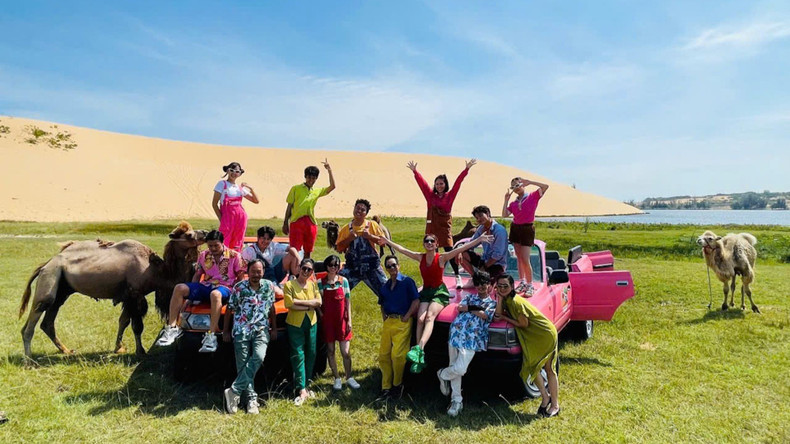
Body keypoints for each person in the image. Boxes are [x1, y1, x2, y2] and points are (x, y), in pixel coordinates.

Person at [382, 233, 493, 373]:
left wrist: (479, 240)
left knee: (429, 317)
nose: (429, 243)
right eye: (426, 241)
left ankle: (419, 349)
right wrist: (387, 241)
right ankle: (419, 354)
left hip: (439, 292)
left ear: (436, 244)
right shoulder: (420, 257)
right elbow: (402, 249)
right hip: (426, 292)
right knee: (420, 319)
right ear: (424, 244)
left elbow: (460, 249)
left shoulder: (441, 258)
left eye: (432, 241)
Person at [156, 230, 245, 353]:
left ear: (222, 243)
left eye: (216, 245)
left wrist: (238, 296)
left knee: (215, 294)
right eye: (210, 246)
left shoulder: (235, 256)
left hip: (225, 287)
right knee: (179, 288)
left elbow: (240, 278)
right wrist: (191, 296)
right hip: (206, 285)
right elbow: (198, 275)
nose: (213, 248)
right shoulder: (204, 255)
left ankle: (211, 335)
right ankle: (171, 328)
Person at [494, 274, 560, 418]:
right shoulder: (506, 300)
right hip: (534, 335)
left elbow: (524, 324)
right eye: (499, 286)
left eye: (506, 286)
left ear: (512, 287)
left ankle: (555, 405)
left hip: (544, 334)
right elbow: (497, 315)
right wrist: (499, 298)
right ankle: (545, 397)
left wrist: (505, 318)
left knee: (549, 369)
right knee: (531, 366)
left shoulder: (517, 302)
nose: (502, 288)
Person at [221, 259, 281, 415]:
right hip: (241, 331)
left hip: (261, 329)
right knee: (243, 366)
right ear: (248, 271)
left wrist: (274, 328)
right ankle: (251, 401)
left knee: (259, 357)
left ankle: (233, 391)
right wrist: (226, 331)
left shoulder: (268, 286)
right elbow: (229, 310)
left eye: (259, 271)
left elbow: (272, 308)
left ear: (263, 272)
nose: (256, 274)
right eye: (253, 271)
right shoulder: (239, 288)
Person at [407, 159, 477, 289]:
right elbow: (423, 185)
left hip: (445, 229)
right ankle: (435, 280)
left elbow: (458, 183)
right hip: (432, 228)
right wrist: (415, 172)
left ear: (445, 184)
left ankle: (457, 276)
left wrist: (466, 170)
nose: (439, 185)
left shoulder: (450, 196)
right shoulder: (430, 196)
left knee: (450, 252)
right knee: (434, 255)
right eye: (437, 183)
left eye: (441, 183)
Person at [437, 271, 497, 417]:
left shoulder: (492, 303)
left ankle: (442, 374)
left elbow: (486, 316)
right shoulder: (469, 297)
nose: (481, 286)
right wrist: (475, 308)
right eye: (478, 283)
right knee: (455, 365)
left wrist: (472, 308)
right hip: (456, 334)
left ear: (489, 285)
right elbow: (460, 308)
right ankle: (456, 400)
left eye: (484, 283)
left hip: (472, 339)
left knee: (460, 368)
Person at [377, 255, 420, 399]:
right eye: (388, 266)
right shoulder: (385, 286)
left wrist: (407, 316)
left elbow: (416, 301)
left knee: (397, 355)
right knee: (384, 355)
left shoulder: (407, 282)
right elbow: (382, 302)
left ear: (399, 265)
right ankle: (385, 387)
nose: (392, 268)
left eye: (394, 265)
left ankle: (397, 385)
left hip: (403, 321)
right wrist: (384, 316)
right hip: (389, 321)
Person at [318, 255, 361, 391]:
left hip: (342, 321)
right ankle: (337, 378)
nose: (333, 268)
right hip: (328, 322)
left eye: (336, 266)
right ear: (326, 266)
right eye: (331, 265)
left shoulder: (344, 281)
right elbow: (318, 302)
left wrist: (349, 320)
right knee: (331, 351)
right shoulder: (320, 282)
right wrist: (321, 315)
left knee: (345, 352)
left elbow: (348, 301)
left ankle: (349, 377)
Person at [283, 258, 322, 406]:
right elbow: (289, 304)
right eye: (304, 268)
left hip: (311, 322)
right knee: (298, 353)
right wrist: (309, 306)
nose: (306, 272)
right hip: (295, 324)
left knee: (311, 352)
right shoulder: (289, 285)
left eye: (309, 270)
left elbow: (319, 302)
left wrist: (298, 303)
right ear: (298, 268)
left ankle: (307, 383)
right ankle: (300, 388)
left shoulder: (313, 285)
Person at [503, 177, 549, 296]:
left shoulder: (532, 196)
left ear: (522, 184)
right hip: (515, 228)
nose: (516, 188)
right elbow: (504, 215)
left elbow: (545, 187)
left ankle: (530, 285)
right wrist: (506, 200)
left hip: (527, 229)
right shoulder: (513, 203)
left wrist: (531, 182)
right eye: (513, 187)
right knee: (519, 258)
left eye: (518, 185)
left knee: (525, 258)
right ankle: (522, 282)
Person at [283, 160, 336, 259]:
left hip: (310, 222)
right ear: (305, 177)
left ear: (316, 178)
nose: (311, 180)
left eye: (313, 178)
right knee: (294, 250)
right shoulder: (295, 188)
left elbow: (332, 187)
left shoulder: (317, 191)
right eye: (309, 177)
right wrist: (285, 222)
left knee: (308, 250)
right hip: (296, 222)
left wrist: (329, 170)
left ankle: (307, 270)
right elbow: (289, 206)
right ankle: (293, 272)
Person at [335, 199, 388, 297]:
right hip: (352, 268)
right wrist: (349, 239)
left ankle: (390, 312)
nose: (359, 211)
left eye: (362, 210)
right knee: (336, 290)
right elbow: (339, 248)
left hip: (372, 268)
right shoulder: (346, 228)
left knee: (387, 293)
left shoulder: (372, 225)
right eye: (357, 208)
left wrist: (370, 237)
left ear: (366, 214)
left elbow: (383, 243)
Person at [212, 162, 260, 251]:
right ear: (227, 171)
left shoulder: (239, 188)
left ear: (240, 174)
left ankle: (236, 261)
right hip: (227, 219)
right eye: (232, 170)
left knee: (238, 240)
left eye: (237, 171)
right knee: (225, 241)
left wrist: (251, 189)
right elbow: (214, 204)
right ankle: (225, 261)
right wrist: (221, 218)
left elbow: (256, 200)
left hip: (241, 218)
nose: (234, 173)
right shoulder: (222, 184)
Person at [458, 205, 508, 281]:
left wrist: (484, 267)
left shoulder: (499, 230)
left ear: (488, 214)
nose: (479, 219)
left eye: (481, 216)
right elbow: (472, 243)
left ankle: (481, 278)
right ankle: (475, 278)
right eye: (477, 218)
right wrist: (460, 250)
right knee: (462, 253)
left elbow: (498, 255)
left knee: (487, 287)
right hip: (484, 260)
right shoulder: (481, 229)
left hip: (497, 265)